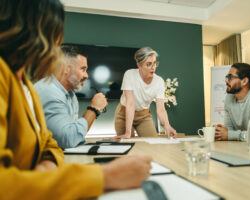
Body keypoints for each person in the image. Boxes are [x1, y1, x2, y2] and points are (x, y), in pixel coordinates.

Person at [0, 0, 151, 199]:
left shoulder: (23, 83)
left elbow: (49, 143)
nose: (56, 52)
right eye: (54, 39)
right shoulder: (26, 83)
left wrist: (47, 166)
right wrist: (106, 176)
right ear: (33, 34)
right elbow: (67, 139)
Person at [35, 45, 107, 148]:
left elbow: (74, 135)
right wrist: (94, 109)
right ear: (66, 69)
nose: (86, 76)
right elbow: (68, 140)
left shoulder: (71, 95)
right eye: (83, 69)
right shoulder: (49, 91)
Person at [114, 47, 177, 138]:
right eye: (148, 64)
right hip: (124, 114)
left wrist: (167, 126)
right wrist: (128, 133)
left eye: (155, 63)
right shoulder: (129, 75)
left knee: (153, 143)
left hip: (143, 116)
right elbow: (130, 104)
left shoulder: (159, 81)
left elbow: (161, 109)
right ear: (139, 65)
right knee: (128, 143)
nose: (153, 67)